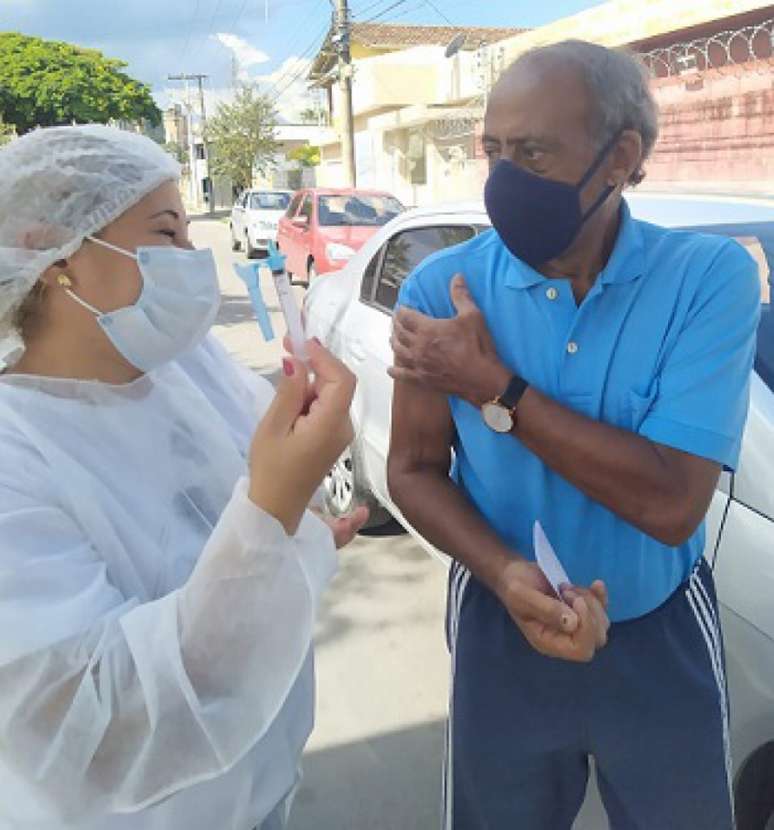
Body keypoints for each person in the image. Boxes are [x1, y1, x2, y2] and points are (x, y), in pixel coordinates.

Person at [387, 40, 760, 830]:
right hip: (501, 621)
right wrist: (501, 571)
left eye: (532, 152)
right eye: (493, 151)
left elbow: (669, 504)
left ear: (621, 156)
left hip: (658, 631)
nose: (503, 179)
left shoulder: (708, 279)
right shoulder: (439, 288)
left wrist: (496, 387)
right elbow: (414, 469)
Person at [0, 124, 367, 830]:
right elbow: (103, 732)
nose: (194, 261)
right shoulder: (16, 453)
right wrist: (273, 505)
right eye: (167, 232)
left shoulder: (184, 370)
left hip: (261, 796)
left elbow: (237, 527)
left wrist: (297, 517)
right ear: (52, 254)